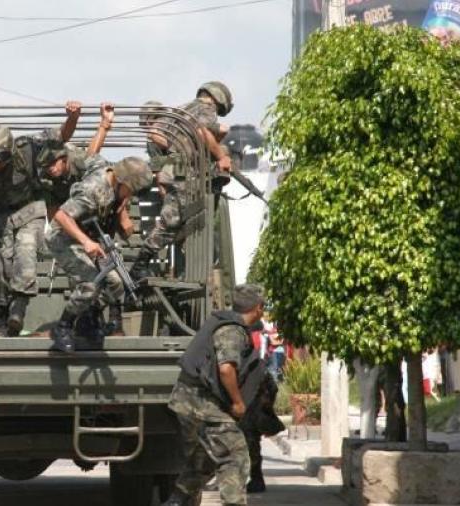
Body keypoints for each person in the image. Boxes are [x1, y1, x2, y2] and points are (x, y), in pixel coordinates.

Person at [0, 101, 82, 336]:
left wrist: (73, 118)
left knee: (25, 253)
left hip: (28, 208)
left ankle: (19, 309)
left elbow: (61, 136)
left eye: (2, 157)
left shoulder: (28, 149)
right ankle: (1, 318)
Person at [162, 284, 266, 506]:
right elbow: (226, 368)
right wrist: (238, 403)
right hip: (202, 404)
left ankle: (176, 501)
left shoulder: (223, 322)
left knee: (206, 457)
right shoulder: (232, 330)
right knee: (234, 455)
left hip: (189, 402)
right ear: (258, 308)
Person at [46, 157, 154, 352]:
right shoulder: (92, 190)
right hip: (64, 238)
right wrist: (86, 241)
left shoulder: (110, 172)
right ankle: (64, 327)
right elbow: (61, 216)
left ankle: (88, 321)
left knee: (116, 283)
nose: (131, 196)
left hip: (91, 237)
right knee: (89, 284)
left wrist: (123, 202)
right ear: (122, 182)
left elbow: (90, 157)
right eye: (132, 191)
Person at [130, 82, 235, 280]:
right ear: (219, 99)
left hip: (178, 174)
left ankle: (147, 264)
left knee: (177, 224)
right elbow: (204, 132)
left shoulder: (182, 108)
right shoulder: (206, 108)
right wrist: (220, 156)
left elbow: (156, 132)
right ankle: (141, 265)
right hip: (185, 176)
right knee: (175, 223)